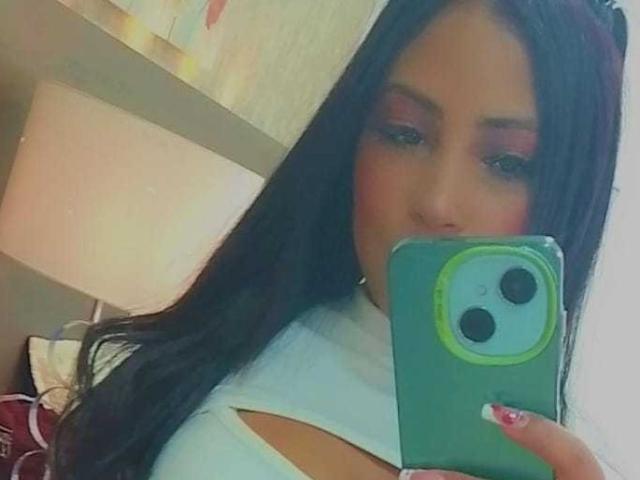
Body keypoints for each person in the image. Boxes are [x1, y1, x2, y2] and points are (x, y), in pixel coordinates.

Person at [51, 0, 628, 479]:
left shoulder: (555, 466)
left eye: (507, 162)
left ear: (569, 198)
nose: (437, 201)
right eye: (404, 133)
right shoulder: (205, 359)